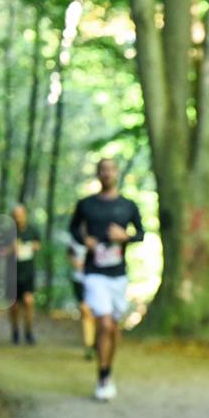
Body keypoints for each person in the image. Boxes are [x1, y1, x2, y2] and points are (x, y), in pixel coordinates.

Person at [69, 158, 144, 401]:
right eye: (103, 170)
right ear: (98, 174)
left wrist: (126, 237)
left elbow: (140, 234)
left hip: (118, 275)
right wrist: (85, 241)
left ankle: (108, 371)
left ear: (117, 173)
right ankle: (102, 376)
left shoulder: (128, 206)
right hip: (94, 273)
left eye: (111, 169)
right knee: (103, 322)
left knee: (112, 327)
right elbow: (73, 229)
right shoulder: (86, 205)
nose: (107, 174)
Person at [8, 203, 41, 345]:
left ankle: (28, 331)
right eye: (15, 216)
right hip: (12, 272)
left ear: (25, 215)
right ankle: (15, 330)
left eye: (20, 215)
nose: (18, 218)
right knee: (14, 305)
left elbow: (38, 245)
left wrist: (33, 246)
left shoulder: (32, 229)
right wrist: (11, 249)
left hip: (28, 272)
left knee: (29, 302)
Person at [68, 237, 96, 359]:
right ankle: (89, 345)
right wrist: (75, 263)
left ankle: (96, 340)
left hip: (96, 281)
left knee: (95, 313)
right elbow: (69, 253)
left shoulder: (99, 234)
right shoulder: (74, 239)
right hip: (79, 280)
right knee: (85, 311)